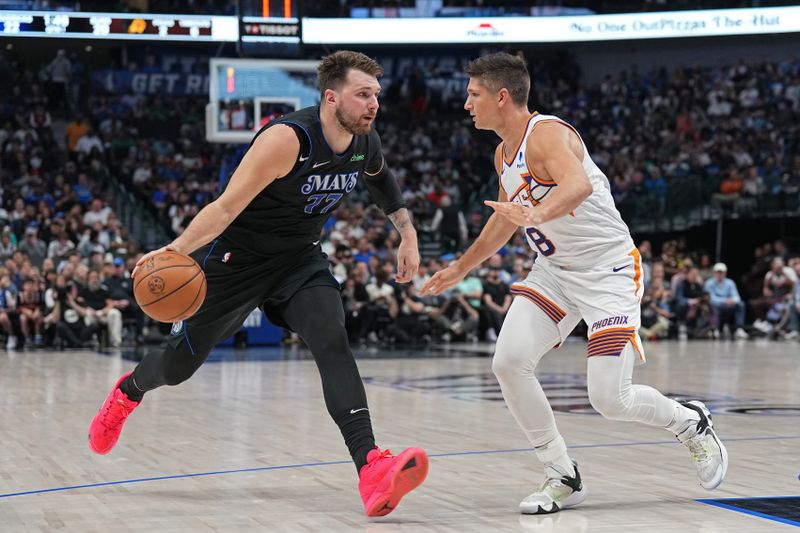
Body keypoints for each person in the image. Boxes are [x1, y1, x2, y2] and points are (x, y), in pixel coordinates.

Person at [88, 51, 428, 517]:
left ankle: (370, 466)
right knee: (177, 366)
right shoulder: (288, 140)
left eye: (376, 95)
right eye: (363, 94)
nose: (373, 104)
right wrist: (175, 250)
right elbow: (225, 208)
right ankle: (128, 392)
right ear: (331, 98)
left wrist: (407, 232)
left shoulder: (363, 141)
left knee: (332, 340)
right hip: (235, 262)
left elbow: (380, 180)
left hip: (299, 262)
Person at [421, 52, 727, 514]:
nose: (466, 103)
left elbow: (577, 186)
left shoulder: (547, 134)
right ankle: (562, 473)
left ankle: (690, 422)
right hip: (556, 273)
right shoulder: (503, 152)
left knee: (609, 399)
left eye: (473, 94)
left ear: (501, 96)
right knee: (508, 361)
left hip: (608, 272)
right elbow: (505, 223)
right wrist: (461, 267)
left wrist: (535, 213)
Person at [703, 262, 748, 339]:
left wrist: (733, 301)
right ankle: (715, 328)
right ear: (714, 273)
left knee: (740, 305)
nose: (720, 274)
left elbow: (737, 297)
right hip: (716, 305)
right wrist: (725, 301)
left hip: (728, 306)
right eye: (718, 272)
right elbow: (710, 298)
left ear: (725, 273)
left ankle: (739, 328)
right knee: (712, 305)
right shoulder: (708, 283)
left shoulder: (730, 283)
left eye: (721, 272)